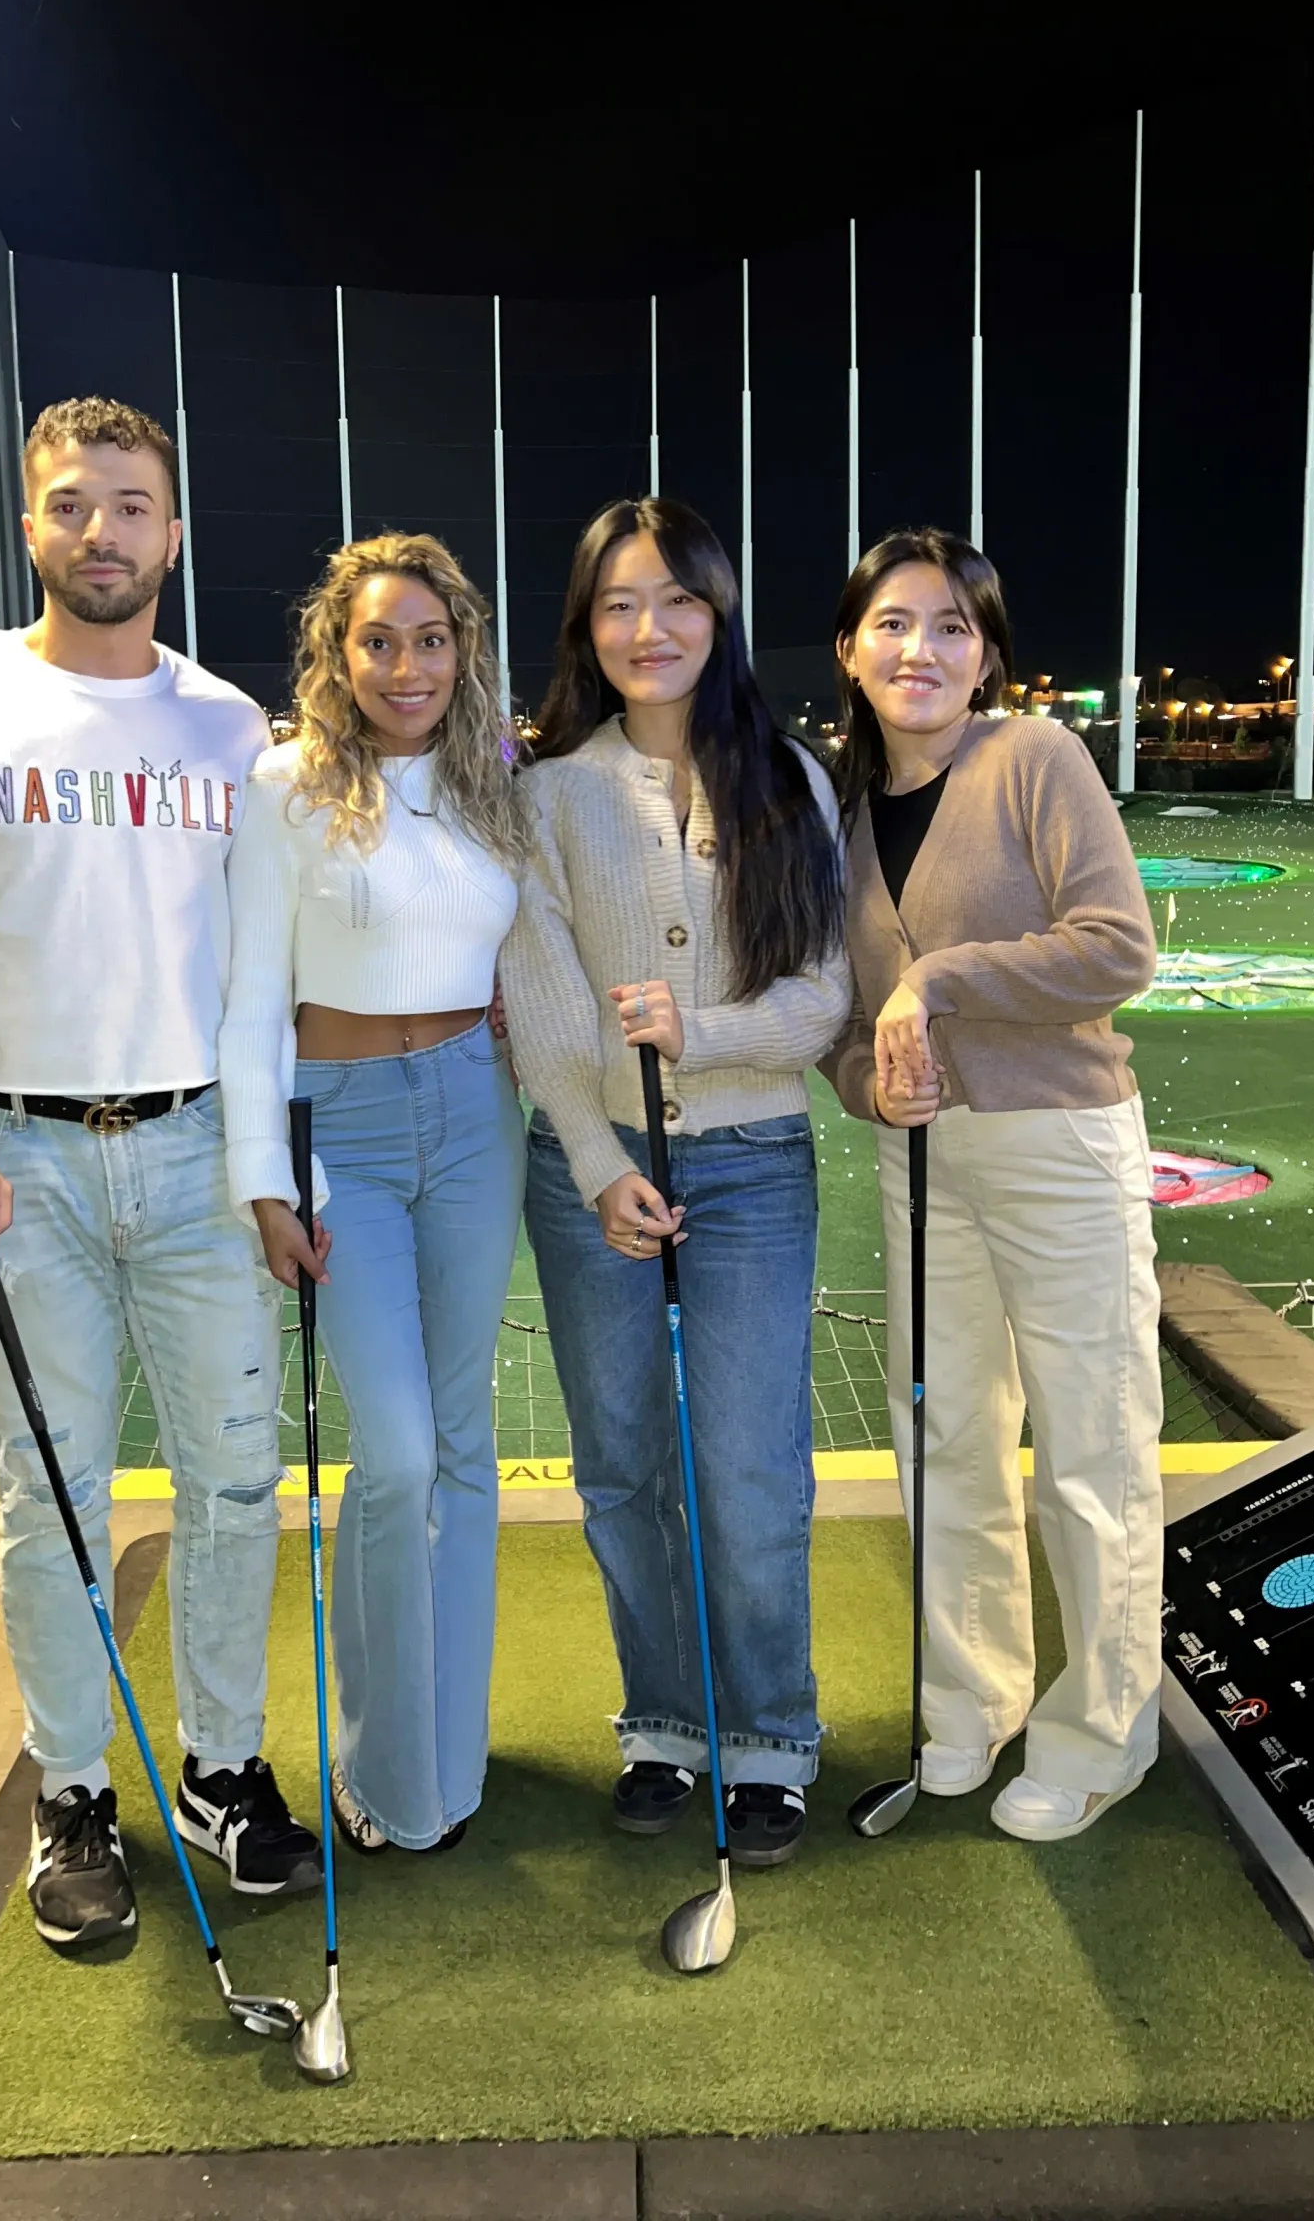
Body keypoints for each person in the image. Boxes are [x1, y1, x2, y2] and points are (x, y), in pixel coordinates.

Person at [0, 396, 318, 1949]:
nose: (98, 531)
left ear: (174, 531)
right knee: (55, 1496)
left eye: (129, 504)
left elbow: (279, 958)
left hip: (196, 1159)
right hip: (16, 1160)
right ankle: (71, 1786)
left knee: (238, 1482)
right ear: (30, 525)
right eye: (68, 505)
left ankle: (221, 1766)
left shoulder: (233, 726)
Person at [502, 498, 849, 1869]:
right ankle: (665, 1720)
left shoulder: (790, 776)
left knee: (751, 1467)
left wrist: (702, 1034)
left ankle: (770, 1736)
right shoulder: (548, 793)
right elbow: (538, 1003)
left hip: (754, 1160)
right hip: (592, 1169)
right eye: (620, 605)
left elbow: (819, 997)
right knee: (624, 1465)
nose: (652, 630)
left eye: (680, 600)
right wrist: (597, 1169)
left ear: (722, 612)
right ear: (587, 628)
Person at [822, 527, 1160, 1843]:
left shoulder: (1035, 760)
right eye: (895, 623)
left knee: (1092, 1449)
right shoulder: (843, 818)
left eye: (953, 626)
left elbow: (1114, 947)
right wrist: (869, 1085)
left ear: (988, 656)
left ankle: (1100, 1734)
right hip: (926, 1159)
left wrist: (943, 980)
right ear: (850, 649)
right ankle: (972, 1701)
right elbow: (852, 1036)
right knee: (947, 1432)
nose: (923, 648)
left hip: (1063, 1147)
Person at [220, 534, 523, 1854]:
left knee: (464, 1454)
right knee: (393, 1457)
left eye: (431, 640)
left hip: (474, 1118)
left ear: (464, 650)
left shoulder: (493, 783)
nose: (407, 668)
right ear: (338, 656)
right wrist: (262, 1183)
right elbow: (246, 1009)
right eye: (379, 642)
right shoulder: (286, 788)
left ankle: (445, 1770)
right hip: (342, 1134)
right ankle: (377, 1764)